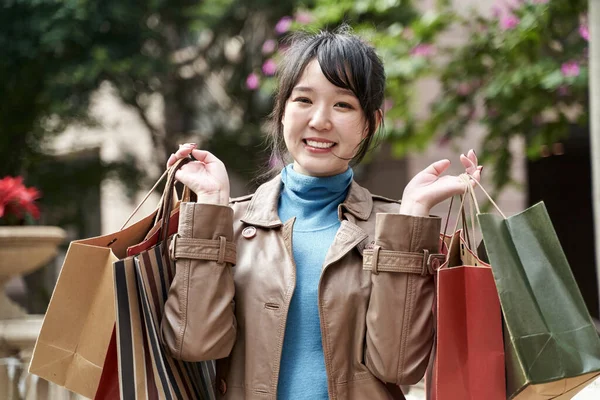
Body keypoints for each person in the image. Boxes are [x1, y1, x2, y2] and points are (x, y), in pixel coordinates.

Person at [161, 26, 482, 400]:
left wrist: (411, 219)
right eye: (303, 100)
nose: (320, 120)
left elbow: (400, 367)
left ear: (370, 125)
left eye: (343, 104)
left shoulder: (393, 229)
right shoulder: (229, 224)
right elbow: (193, 344)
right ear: (281, 113)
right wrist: (212, 204)